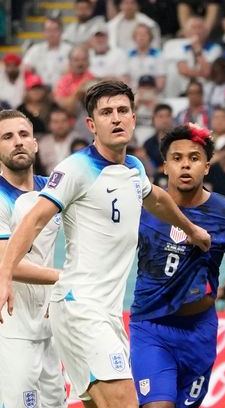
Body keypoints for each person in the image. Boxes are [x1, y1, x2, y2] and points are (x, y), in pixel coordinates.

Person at [0, 80, 212, 407]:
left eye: (122, 111)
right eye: (106, 112)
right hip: (81, 307)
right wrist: (4, 272)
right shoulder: (76, 168)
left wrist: (192, 229)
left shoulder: (134, 168)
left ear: (133, 117)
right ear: (91, 125)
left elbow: (155, 198)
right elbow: (36, 218)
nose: (116, 118)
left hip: (104, 312)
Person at [130, 124, 225, 407]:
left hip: (199, 330)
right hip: (151, 326)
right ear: (165, 167)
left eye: (194, 158)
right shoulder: (142, 207)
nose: (185, 165)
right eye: (177, 158)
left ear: (207, 167)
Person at [0, 110, 65, 408]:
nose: (18, 142)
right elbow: (8, 264)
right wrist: (67, 278)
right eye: (7, 137)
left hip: (50, 330)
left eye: (24, 135)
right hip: (11, 332)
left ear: (36, 144)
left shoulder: (54, 191)